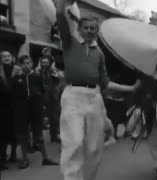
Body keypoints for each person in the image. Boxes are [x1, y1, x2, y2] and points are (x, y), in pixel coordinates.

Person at [56, 1, 139, 180]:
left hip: (94, 98)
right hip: (73, 97)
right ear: (79, 29)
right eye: (86, 27)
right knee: (74, 141)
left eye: (94, 28)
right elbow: (61, 16)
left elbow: (106, 83)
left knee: (94, 147)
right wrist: (62, 4)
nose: (90, 31)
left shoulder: (99, 53)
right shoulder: (69, 42)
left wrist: (130, 88)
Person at [12, 55, 58, 169]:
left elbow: (42, 91)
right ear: (20, 65)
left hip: (35, 109)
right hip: (22, 110)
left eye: (28, 63)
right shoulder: (16, 78)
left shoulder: (37, 76)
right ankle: (24, 159)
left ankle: (45, 158)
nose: (26, 65)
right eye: (23, 63)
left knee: (38, 134)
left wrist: (42, 106)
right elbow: (13, 95)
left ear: (32, 64)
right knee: (23, 135)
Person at [0, 51, 20, 170]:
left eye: (8, 56)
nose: (6, 58)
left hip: (15, 106)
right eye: (3, 57)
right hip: (2, 107)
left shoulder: (18, 70)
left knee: (15, 131)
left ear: (12, 58)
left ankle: (13, 154)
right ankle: (2, 158)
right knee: (2, 134)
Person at [37, 55, 62, 143]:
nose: (45, 64)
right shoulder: (38, 71)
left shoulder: (53, 71)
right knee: (40, 117)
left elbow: (59, 81)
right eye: (43, 62)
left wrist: (56, 76)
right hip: (41, 97)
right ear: (40, 63)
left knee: (54, 117)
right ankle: (38, 137)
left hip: (53, 97)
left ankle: (54, 135)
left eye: (46, 62)